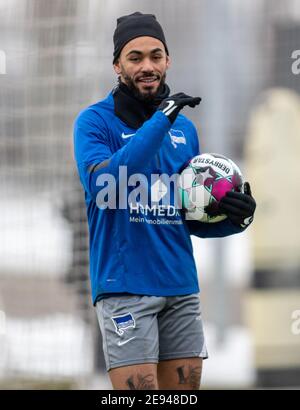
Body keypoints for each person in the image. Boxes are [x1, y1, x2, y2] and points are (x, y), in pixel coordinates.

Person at [73, 12, 256, 390]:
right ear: (117, 65)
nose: (147, 66)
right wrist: (162, 118)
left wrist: (231, 219)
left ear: (168, 61)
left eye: (156, 56)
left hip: (180, 288)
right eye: (135, 57)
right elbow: (108, 186)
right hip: (125, 290)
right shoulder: (94, 123)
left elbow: (182, 216)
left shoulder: (184, 130)